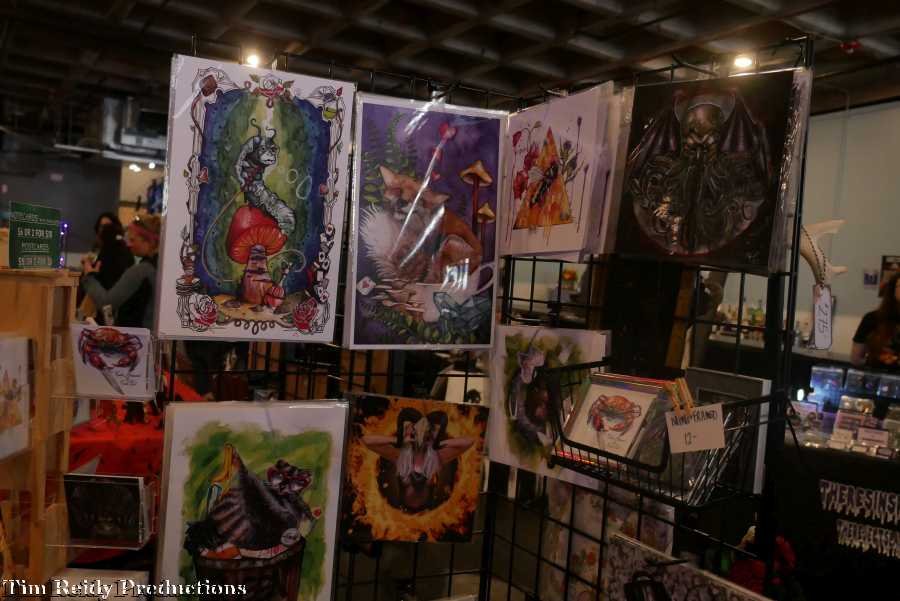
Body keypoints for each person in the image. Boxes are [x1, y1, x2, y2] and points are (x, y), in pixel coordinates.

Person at [81, 215, 160, 328]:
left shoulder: (142, 271)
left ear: (149, 242)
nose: (128, 244)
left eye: (132, 240)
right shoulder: (160, 268)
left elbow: (106, 304)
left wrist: (89, 277)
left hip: (135, 336)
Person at [851, 272, 900, 369]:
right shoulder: (871, 318)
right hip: (877, 375)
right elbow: (856, 359)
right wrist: (875, 361)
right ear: (893, 290)